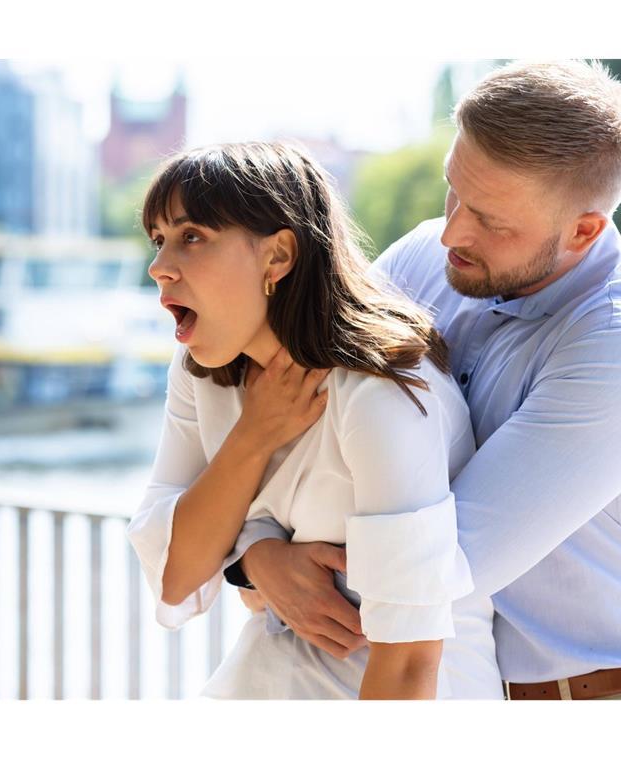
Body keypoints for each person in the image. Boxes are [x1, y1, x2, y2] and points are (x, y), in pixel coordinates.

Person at [226, 60, 621, 700]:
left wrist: (260, 555)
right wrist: (257, 555)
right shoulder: (428, 257)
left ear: (585, 230)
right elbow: (297, 435)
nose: (452, 230)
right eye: (453, 190)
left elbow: (434, 564)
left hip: (603, 700)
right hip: (463, 683)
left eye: (492, 220)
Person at [125, 141, 502, 699]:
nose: (159, 267)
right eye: (159, 241)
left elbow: (409, 662)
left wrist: (247, 544)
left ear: (277, 257)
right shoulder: (202, 371)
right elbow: (178, 574)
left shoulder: (380, 391)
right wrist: (254, 439)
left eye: (192, 237)